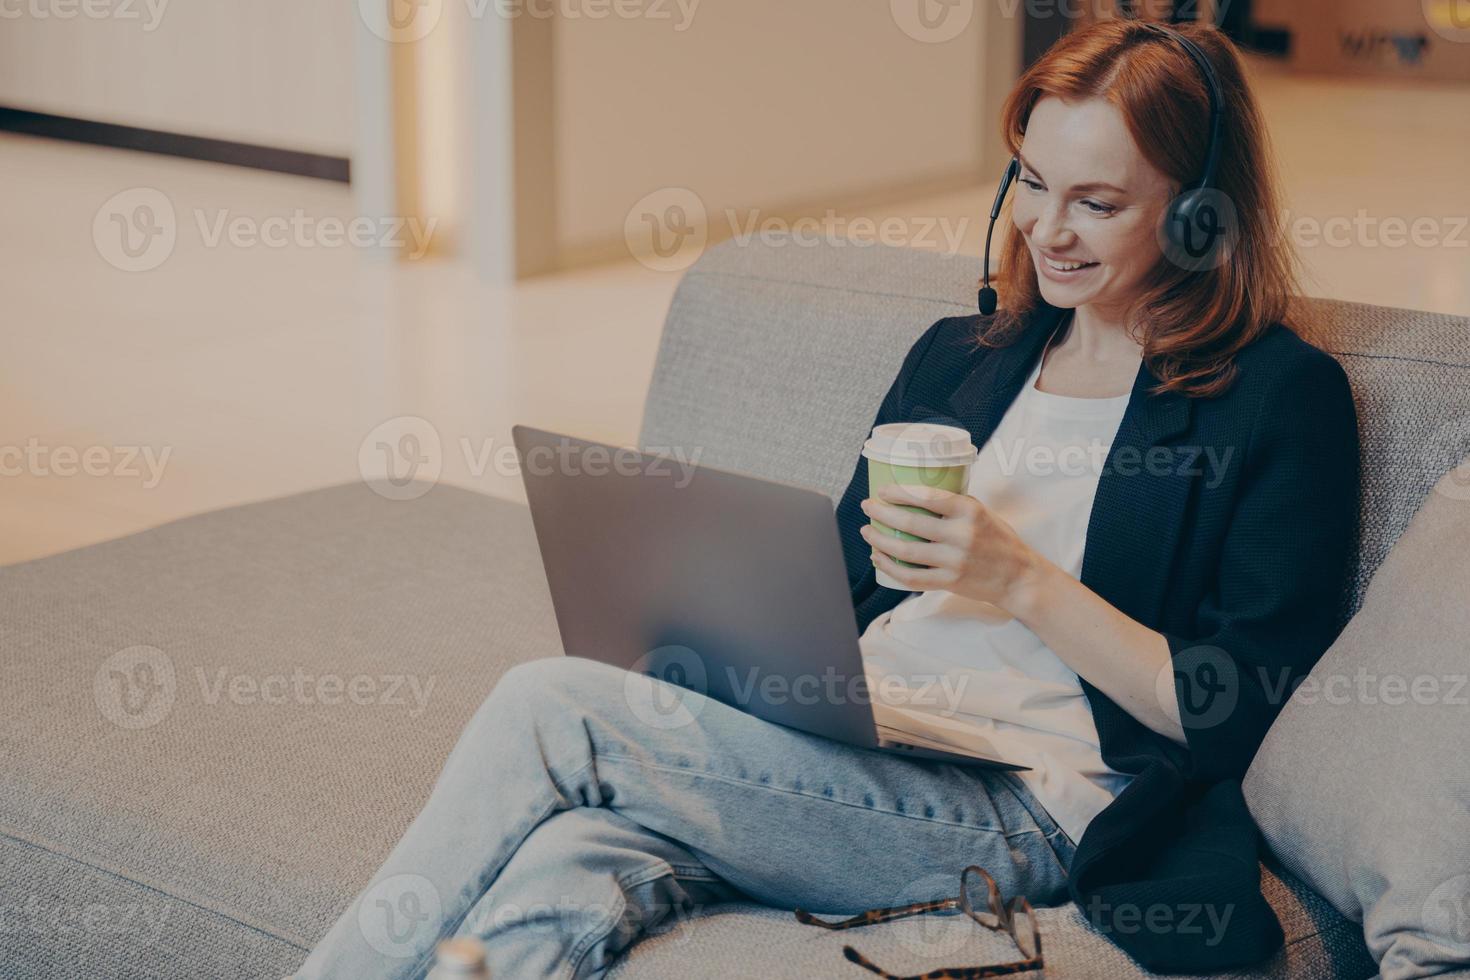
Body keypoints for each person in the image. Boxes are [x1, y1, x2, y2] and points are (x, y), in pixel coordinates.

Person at [298, 18, 1359, 979]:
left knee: (553, 706)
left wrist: (1020, 580)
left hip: (1031, 803)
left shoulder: (1274, 398)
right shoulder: (966, 356)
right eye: (1032, 181)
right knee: (572, 862)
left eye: (1099, 201)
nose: (1048, 228)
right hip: (862, 737)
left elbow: (1238, 707)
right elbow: (842, 586)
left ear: (1199, 212)